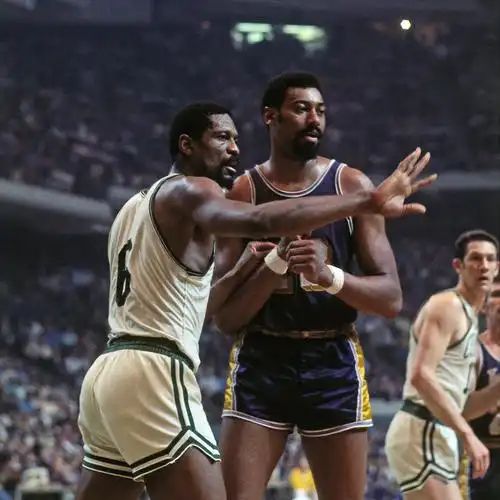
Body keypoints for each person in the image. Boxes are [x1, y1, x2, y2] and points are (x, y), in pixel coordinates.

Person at [75, 101, 435, 500]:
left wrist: (253, 266)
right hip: (153, 370)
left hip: (107, 373)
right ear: (187, 145)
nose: (234, 148)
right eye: (222, 137)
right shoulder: (194, 188)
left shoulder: (133, 207)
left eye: (236, 139)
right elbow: (260, 219)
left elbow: (200, 309)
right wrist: (366, 201)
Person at [213, 72, 431, 500]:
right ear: (270, 117)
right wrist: (275, 264)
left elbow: (391, 299)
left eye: (321, 110)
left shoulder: (352, 185)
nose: (315, 119)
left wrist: (329, 276)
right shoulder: (244, 192)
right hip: (262, 356)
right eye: (301, 109)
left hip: (332, 356)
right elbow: (225, 318)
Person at [385, 230, 500, 500]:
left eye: (490, 259)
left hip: (435, 432)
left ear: (497, 267)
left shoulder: (468, 318)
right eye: (476, 258)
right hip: (422, 428)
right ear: (458, 266)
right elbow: (421, 376)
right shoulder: (448, 305)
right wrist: (469, 435)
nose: (483, 265)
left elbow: (463, 408)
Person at [466, 279, 500, 499]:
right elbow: (461, 411)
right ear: (484, 305)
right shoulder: (472, 351)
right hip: (484, 460)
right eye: (496, 294)